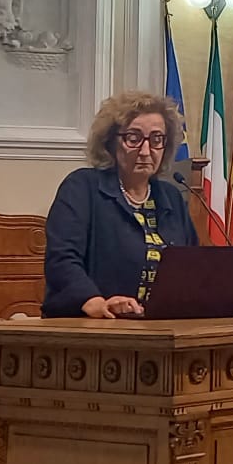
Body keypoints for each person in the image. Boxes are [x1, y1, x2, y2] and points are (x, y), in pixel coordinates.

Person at [42, 91, 199, 318]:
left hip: (159, 326)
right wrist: (95, 302)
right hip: (91, 327)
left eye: (156, 140)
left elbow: (191, 265)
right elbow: (62, 260)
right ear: (110, 142)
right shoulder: (83, 187)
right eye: (133, 138)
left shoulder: (170, 196)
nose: (145, 151)